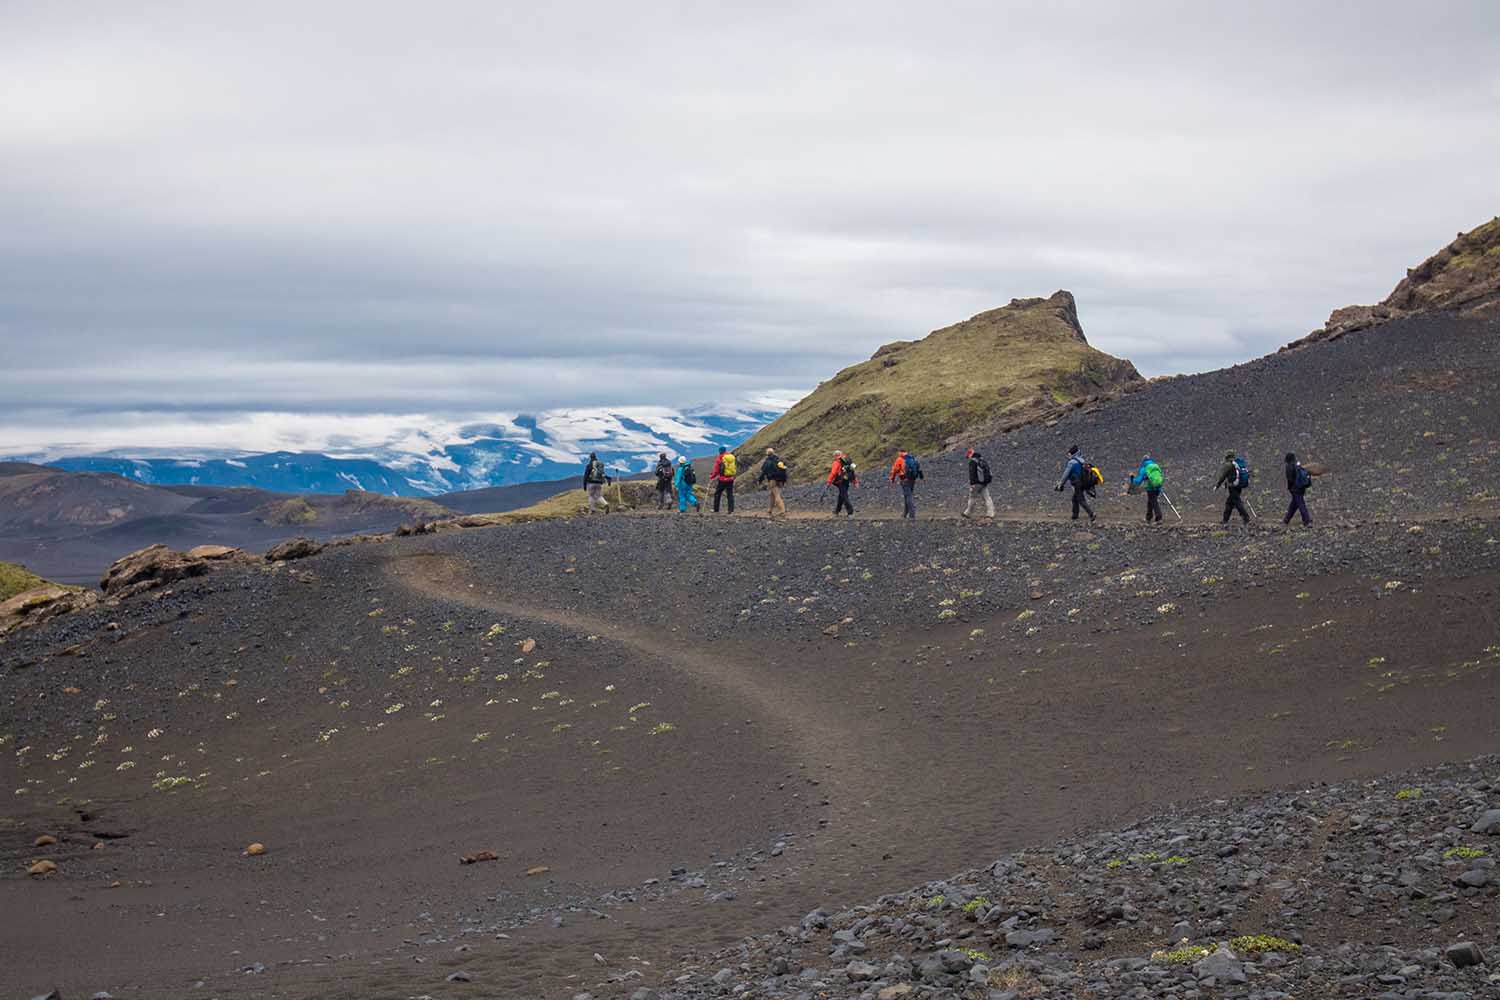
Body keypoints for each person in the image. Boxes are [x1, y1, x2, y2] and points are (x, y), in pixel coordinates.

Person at [1055, 445, 1095, 522]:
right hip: (1083, 483)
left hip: (1077, 483)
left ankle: (1091, 514)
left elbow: (1065, 475)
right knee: (1074, 499)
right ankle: (1075, 515)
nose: (1068, 455)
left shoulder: (1072, 463)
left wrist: (1060, 484)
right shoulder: (1081, 461)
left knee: (1080, 499)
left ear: (1072, 454)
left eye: (1069, 454)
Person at [1215, 450, 1251, 525]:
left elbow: (1223, 476)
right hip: (1238, 485)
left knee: (1237, 502)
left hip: (1232, 486)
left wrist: (1217, 486)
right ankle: (1225, 520)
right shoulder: (1237, 464)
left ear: (1227, 456)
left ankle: (1246, 518)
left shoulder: (1229, 464)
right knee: (1229, 503)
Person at [1129, 454, 1164, 523]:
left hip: (1150, 488)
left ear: (1143, 461)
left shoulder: (1144, 468)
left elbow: (1138, 481)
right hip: (1158, 486)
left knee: (1153, 502)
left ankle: (1159, 517)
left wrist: (1132, 478)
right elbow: (1160, 476)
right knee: (1150, 502)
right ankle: (1148, 517)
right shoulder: (1156, 466)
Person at [890, 449, 923, 520]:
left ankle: (912, 514)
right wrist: (920, 477)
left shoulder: (900, 459)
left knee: (908, 496)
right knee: (907, 495)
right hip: (912, 479)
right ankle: (905, 514)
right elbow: (918, 468)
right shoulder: (912, 458)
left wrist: (892, 479)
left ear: (900, 452)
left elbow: (894, 470)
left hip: (905, 480)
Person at [962, 447, 995, 519]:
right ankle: (990, 513)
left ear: (971, 454)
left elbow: (972, 474)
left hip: (976, 483)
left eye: (968, 456)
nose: (968, 458)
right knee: (987, 498)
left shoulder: (973, 462)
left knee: (972, 497)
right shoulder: (982, 460)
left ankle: (967, 513)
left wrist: (972, 484)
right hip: (984, 482)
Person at [756, 447, 789, 517]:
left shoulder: (767, 461)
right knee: (772, 494)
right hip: (780, 480)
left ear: (767, 454)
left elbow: (763, 472)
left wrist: (759, 480)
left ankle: (782, 511)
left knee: (776, 495)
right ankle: (770, 510)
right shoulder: (778, 460)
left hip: (772, 480)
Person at [1283, 452, 1312, 526]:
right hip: (1301, 487)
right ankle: (1286, 520)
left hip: (1295, 489)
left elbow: (1290, 479)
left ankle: (1307, 521)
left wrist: (1290, 488)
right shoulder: (1297, 465)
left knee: (1300, 504)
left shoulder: (1289, 467)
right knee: (1294, 504)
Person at [827, 450, 857, 517]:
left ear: (835, 456)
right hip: (847, 481)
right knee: (841, 495)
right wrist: (855, 482)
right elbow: (852, 472)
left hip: (840, 482)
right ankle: (837, 511)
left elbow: (833, 473)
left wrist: (829, 482)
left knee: (844, 496)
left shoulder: (836, 462)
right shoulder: (847, 461)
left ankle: (850, 512)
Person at [710, 445, 737, 513]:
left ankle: (716, 509)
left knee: (717, 493)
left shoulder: (720, 458)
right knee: (730, 494)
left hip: (722, 479)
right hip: (730, 478)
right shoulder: (731, 457)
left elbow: (716, 470)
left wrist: (711, 476)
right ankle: (731, 510)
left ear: (720, 451)